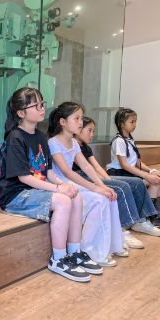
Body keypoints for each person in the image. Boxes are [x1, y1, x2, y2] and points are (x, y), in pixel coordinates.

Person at [0, 88, 102, 283]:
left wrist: (64, 185)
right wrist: (58, 189)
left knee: (75, 195)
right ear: (21, 113)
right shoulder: (15, 138)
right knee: (63, 201)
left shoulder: (40, 137)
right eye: (36, 105)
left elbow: (48, 172)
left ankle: (74, 252)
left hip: (35, 189)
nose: (42, 108)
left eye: (42, 104)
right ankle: (58, 259)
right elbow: (24, 178)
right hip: (15, 195)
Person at [47, 102, 126, 264]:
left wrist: (103, 186)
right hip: (61, 185)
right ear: (62, 122)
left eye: (81, 118)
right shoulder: (53, 142)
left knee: (109, 196)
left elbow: (86, 166)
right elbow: (67, 172)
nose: (80, 122)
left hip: (72, 182)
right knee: (99, 200)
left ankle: (110, 246)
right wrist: (95, 188)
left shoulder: (74, 143)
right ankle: (90, 251)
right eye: (76, 118)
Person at [74, 116, 160, 246]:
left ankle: (141, 221)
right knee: (122, 187)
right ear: (78, 129)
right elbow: (86, 169)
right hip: (82, 178)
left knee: (137, 182)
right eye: (89, 130)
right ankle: (122, 228)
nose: (92, 134)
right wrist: (103, 181)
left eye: (93, 131)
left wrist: (108, 179)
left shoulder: (85, 147)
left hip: (94, 176)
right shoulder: (73, 145)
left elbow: (97, 167)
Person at [107, 108, 160, 225]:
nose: (134, 125)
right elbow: (124, 165)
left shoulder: (129, 139)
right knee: (153, 181)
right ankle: (149, 215)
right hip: (119, 172)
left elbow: (137, 163)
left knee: (159, 178)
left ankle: (159, 213)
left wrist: (151, 171)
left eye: (135, 121)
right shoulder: (119, 141)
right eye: (131, 122)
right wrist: (146, 176)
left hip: (129, 172)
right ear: (121, 124)